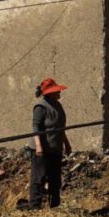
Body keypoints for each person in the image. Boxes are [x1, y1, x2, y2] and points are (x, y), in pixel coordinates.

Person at [28, 78, 71, 209]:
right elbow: (36, 127)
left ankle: (55, 206)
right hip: (42, 150)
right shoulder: (40, 106)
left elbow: (60, 128)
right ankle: (34, 207)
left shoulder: (58, 106)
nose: (59, 93)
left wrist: (66, 144)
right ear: (50, 93)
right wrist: (39, 147)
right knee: (39, 178)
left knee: (55, 180)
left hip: (55, 149)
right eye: (56, 91)